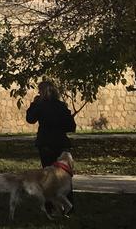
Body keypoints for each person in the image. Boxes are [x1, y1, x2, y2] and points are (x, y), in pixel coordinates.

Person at [26, 79, 77, 213]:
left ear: (43, 92)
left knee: (48, 178)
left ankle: (51, 208)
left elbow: (30, 119)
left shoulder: (40, 106)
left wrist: (34, 104)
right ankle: (68, 207)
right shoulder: (61, 106)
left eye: (39, 90)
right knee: (65, 179)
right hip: (61, 145)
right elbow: (71, 126)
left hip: (46, 145)